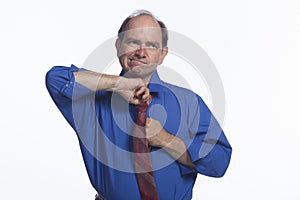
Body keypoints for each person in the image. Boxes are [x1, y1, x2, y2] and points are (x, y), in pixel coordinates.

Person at [46, 10, 232, 200]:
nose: (141, 53)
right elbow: (56, 78)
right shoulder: (91, 101)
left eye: (151, 46)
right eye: (133, 42)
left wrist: (165, 139)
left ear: (162, 55)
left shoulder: (189, 103)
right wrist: (120, 84)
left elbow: (219, 163)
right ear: (118, 46)